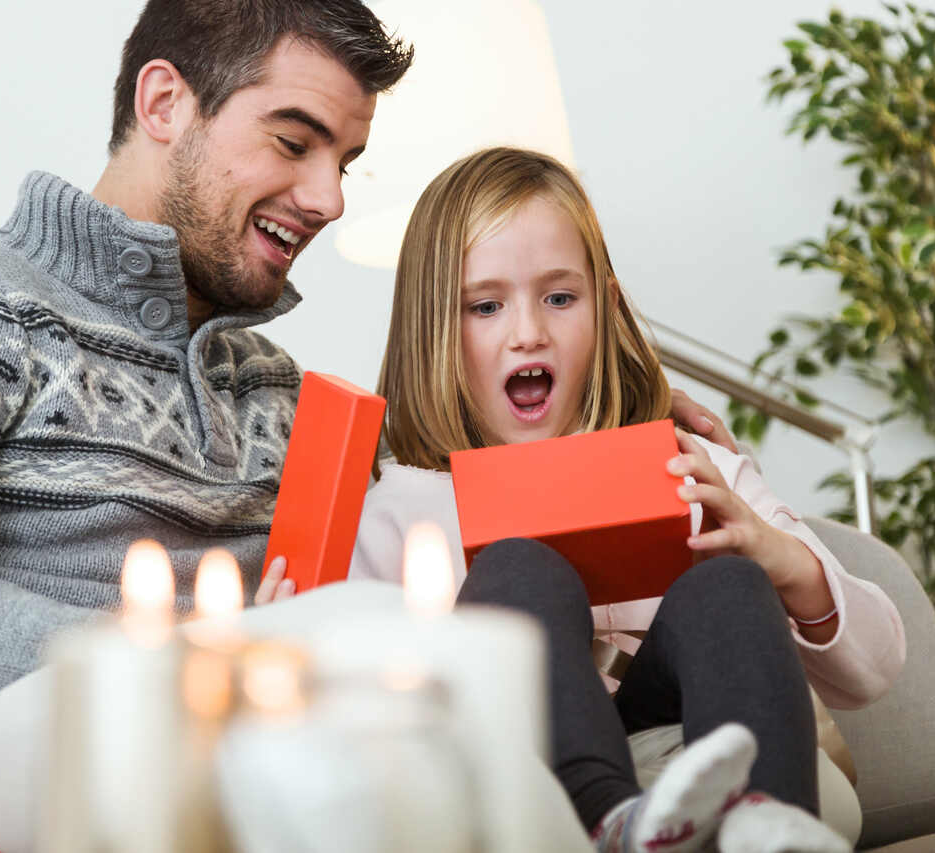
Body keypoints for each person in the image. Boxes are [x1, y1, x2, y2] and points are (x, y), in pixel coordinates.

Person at [0, 2, 733, 848]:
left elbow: (449, 483)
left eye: (344, 160)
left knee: (406, 678)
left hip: (233, 737)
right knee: (361, 654)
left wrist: (629, 410)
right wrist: (197, 661)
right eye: (291, 140)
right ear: (163, 103)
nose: (328, 199)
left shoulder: (273, 392)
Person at [347, 147, 906, 853]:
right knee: (519, 567)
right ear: (435, 329)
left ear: (605, 309)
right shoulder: (399, 503)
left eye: (560, 297)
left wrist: (779, 558)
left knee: (728, 583)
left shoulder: (692, 463)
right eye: (486, 306)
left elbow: (878, 665)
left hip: (692, 755)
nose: (529, 332)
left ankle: (769, 822)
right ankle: (612, 823)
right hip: (531, 786)